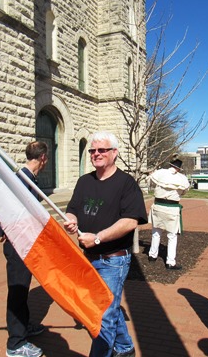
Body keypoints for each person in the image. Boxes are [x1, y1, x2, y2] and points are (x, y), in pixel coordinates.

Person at [64, 131, 147, 357]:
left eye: (102, 150)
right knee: (107, 307)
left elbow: (131, 221)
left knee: (103, 314)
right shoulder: (84, 181)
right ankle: (125, 347)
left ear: (114, 153)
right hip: (88, 258)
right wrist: (71, 221)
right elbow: (72, 209)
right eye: (93, 150)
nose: (96, 154)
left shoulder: (126, 183)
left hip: (113, 260)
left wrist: (97, 237)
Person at [0, 141, 49, 357]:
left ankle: (24, 326)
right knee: (17, 291)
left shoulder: (28, 178)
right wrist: (4, 228)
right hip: (17, 245)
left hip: (24, 243)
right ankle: (15, 344)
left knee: (23, 288)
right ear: (43, 158)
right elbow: (3, 203)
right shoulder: (22, 177)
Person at [147, 157, 190, 269]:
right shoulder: (182, 178)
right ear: (179, 169)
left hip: (158, 207)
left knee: (156, 232)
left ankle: (152, 255)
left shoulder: (160, 173)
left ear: (170, 165)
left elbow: (152, 180)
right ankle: (170, 262)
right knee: (172, 236)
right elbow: (184, 191)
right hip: (171, 209)